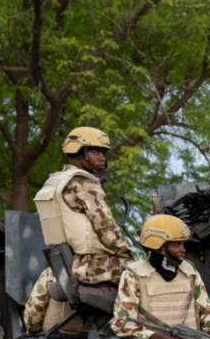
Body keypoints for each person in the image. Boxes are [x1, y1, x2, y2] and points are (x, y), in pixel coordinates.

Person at [34, 126, 135, 297]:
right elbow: (105, 228)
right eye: (96, 152)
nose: (102, 157)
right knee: (143, 274)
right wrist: (127, 253)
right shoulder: (85, 183)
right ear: (80, 152)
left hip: (67, 263)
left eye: (103, 153)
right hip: (92, 265)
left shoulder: (56, 181)